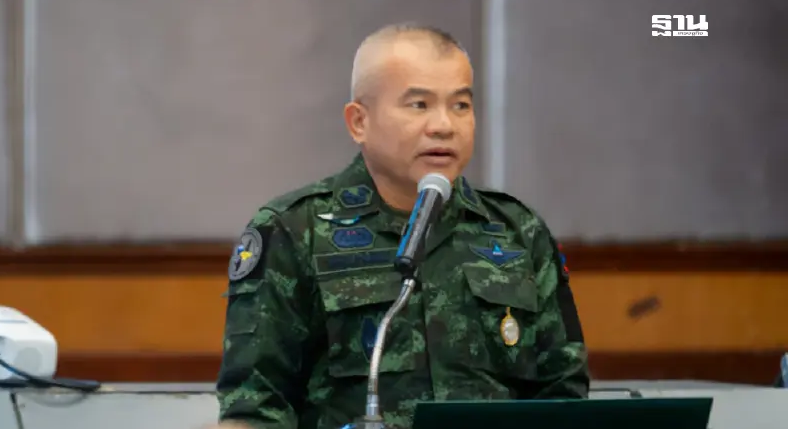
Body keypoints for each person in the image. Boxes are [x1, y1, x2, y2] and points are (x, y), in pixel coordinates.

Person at [212, 23, 590, 429]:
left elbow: (563, 398)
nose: (444, 125)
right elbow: (256, 408)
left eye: (461, 105)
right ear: (359, 122)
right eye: (419, 105)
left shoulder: (517, 231)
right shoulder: (294, 230)